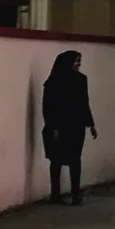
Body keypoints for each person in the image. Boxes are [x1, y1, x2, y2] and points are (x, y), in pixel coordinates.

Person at [42, 51, 97, 206]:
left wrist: (91, 124)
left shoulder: (80, 80)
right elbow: (48, 107)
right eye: (76, 61)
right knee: (57, 160)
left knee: (73, 159)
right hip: (60, 126)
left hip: (75, 125)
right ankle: (56, 194)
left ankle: (74, 193)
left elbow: (85, 103)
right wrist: (52, 126)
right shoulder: (53, 83)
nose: (78, 65)